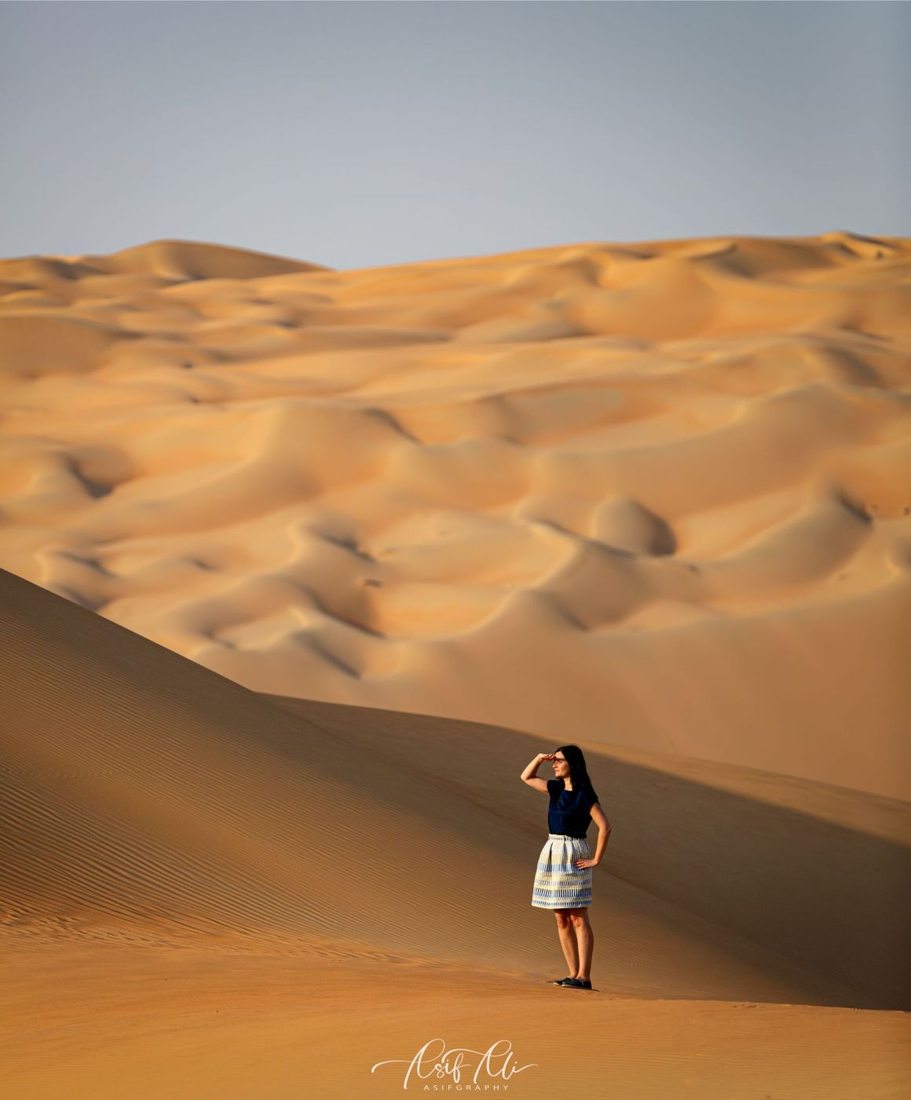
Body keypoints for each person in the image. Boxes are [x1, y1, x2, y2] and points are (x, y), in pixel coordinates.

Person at [520, 745, 611, 990]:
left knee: (578, 917)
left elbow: (605, 826)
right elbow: (526, 777)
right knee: (561, 917)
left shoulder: (584, 794)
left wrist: (596, 859)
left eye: (559, 760)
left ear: (573, 764)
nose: (555, 764)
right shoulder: (555, 788)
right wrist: (539, 757)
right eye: (554, 760)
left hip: (574, 852)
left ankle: (584, 976)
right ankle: (573, 974)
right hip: (552, 851)